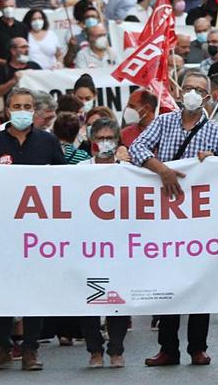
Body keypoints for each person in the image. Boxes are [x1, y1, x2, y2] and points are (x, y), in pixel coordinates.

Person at [128, 71, 218, 367]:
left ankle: (198, 347)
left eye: (199, 90)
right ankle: (168, 349)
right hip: (166, 214)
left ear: (208, 97)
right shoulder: (163, 121)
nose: (192, 94)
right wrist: (163, 170)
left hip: (199, 218)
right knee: (169, 281)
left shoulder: (215, 131)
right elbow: (137, 148)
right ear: (179, 92)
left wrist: (211, 162)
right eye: (188, 88)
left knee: (200, 282)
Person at [0, 88, 67, 371]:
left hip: (39, 231)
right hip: (3, 230)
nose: (21, 110)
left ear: (34, 110)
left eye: (26, 106)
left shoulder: (48, 142)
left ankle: (31, 349)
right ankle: (3, 346)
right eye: (16, 105)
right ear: (7, 111)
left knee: (34, 289)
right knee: (3, 288)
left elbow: (64, 182)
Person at [73, 117, 130, 368]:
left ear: (117, 141)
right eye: (100, 138)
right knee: (91, 298)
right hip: (88, 243)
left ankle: (116, 350)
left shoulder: (127, 168)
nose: (105, 143)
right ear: (92, 141)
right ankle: (94, 350)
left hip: (119, 243)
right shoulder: (80, 169)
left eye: (110, 138)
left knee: (118, 297)